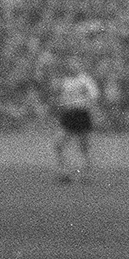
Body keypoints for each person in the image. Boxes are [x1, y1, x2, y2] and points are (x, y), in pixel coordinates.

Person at [51, 55, 101, 184]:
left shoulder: (85, 80)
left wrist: (91, 109)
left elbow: (94, 96)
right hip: (68, 114)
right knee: (59, 143)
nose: (72, 66)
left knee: (84, 146)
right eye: (70, 64)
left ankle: (86, 175)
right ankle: (65, 173)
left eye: (75, 64)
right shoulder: (65, 81)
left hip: (81, 113)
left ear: (80, 66)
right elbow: (61, 97)